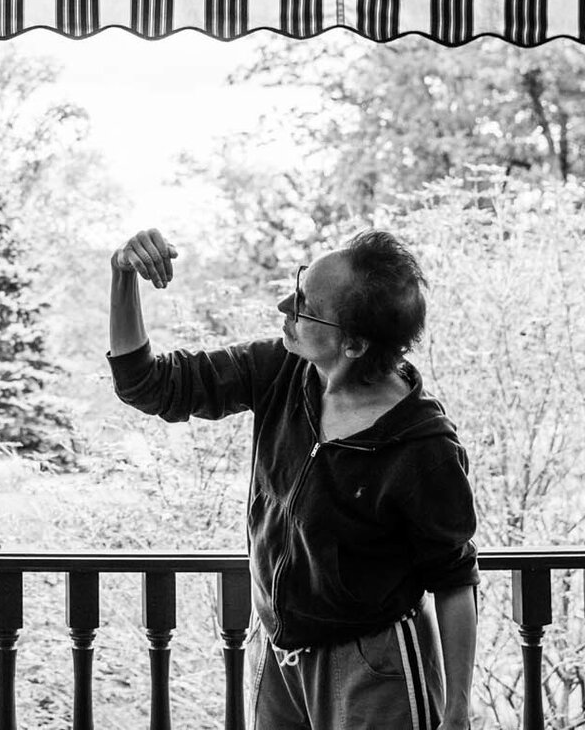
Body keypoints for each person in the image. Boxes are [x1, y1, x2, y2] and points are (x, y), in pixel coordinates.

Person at [108, 227, 478, 730]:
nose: (285, 303)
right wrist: (122, 276)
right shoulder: (281, 371)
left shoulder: (424, 447)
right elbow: (148, 385)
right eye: (297, 285)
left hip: (375, 667)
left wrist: (456, 713)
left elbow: (454, 581)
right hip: (279, 659)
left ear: (353, 343)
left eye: (304, 304)